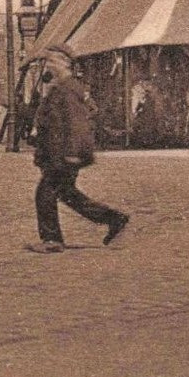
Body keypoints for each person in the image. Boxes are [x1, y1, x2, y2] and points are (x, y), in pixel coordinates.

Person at [29, 47, 127, 252]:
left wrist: (74, 153)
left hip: (64, 154)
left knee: (45, 193)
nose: (49, 65)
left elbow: (77, 123)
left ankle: (52, 240)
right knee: (69, 195)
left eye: (52, 61)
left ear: (65, 63)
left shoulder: (68, 89)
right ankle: (114, 219)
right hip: (59, 154)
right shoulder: (61, 87)